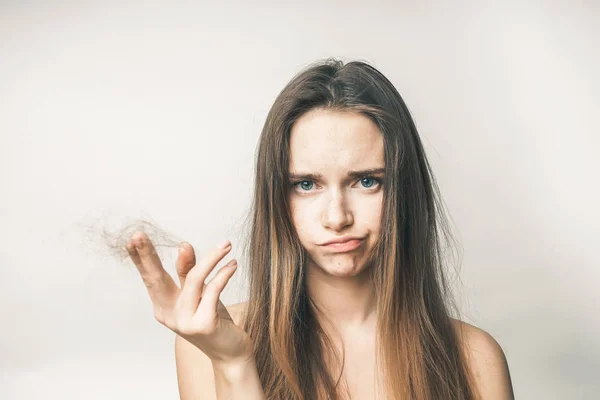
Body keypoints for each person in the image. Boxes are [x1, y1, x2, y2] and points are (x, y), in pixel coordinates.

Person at [125, 58, 515, 399]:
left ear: (403, 189)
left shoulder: (474, 358)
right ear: (277, 197)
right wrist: (233, 364)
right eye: (306, 184)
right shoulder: (208, 341)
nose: (336, 216)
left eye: (366, 181)